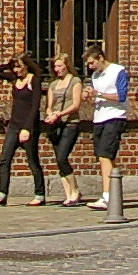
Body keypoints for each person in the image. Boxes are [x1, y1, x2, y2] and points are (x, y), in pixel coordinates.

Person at [0, 55, 45, 206]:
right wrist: (9, 64)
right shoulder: (14, 79)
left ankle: (39, 194)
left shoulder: (34, 80)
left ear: (26, 65)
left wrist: (28, 128)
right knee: (4, 159)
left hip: (28, 126)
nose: (16, 70)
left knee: (32, 161)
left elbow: (35, 106)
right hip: (14, 125)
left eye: (19, 67)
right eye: (14, 67)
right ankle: (2, 194)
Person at [84, 45, 132, 206]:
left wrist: (98, 94)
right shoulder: (95, 76)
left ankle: (106, 196)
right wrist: (89, 96)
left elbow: (121, 96)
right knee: (104, 157)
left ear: (100, 58)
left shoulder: (117, 71)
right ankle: (114, 192)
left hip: (115, 117)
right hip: (99, 118)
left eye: (92, 63)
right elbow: (96, 100)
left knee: (105, 155)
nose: (90, 67)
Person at [42, 59, 89, 205]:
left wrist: (60, 114)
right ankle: (68, 194)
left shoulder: (75, 81)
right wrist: (50, 114)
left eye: (59, 66)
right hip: (56, 125)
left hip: (70, 123)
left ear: (66, 65)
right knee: (58, 159)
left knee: (62, 157)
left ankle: (75, 190)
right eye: (55, 66)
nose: (57, 69)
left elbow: (75, 105)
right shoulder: (53, 84)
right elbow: (49, 106)